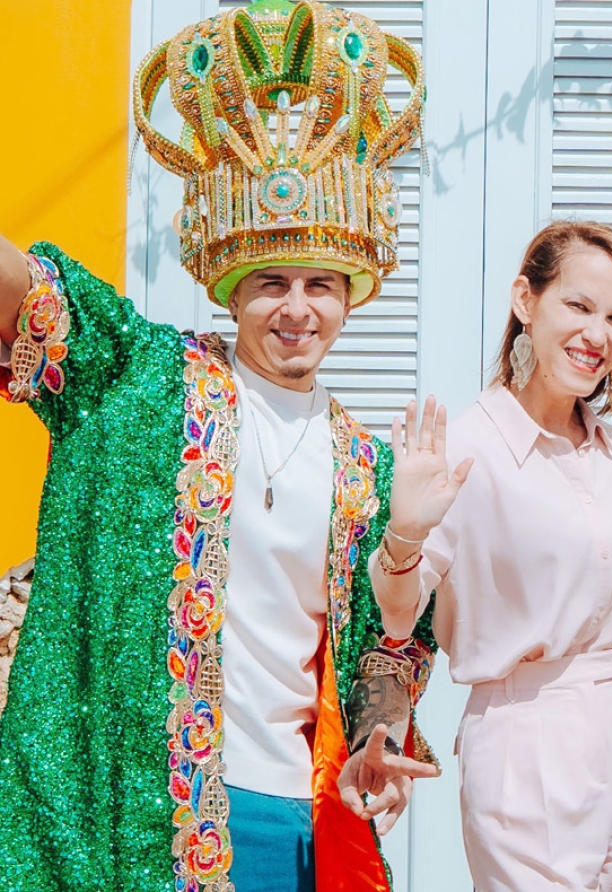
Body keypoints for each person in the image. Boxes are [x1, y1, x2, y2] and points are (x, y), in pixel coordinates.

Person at [0, 3, 442, 890]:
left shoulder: (371, 465)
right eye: (270, 282)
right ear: (231, 290)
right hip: (130, 811)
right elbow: (23, 294)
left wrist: (380, 738)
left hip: (291, 819)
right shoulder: (139, 375)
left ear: (350, 298)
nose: (296, 308)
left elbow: (384, 662)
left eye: (321, 284)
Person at [371, 220, 612, 891]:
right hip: (528, 747)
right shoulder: (464, 452)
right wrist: (403, 535)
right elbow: (399, 615)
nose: (597, 336)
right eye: (577, 306)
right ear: (526, 300)